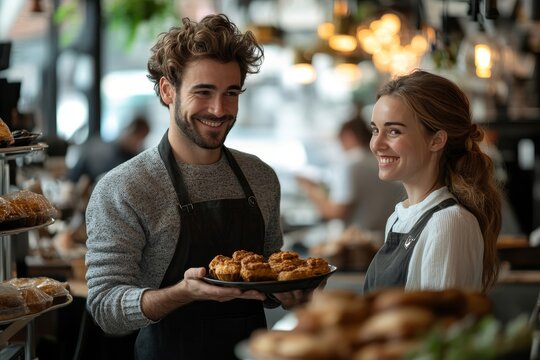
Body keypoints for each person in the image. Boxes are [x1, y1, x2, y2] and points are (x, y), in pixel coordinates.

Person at [85, 14, 310, 360]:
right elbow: (104, 309)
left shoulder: (261, 177)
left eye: (230, 93)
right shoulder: (124, 188)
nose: (219, 109)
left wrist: (289, 292)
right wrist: (183, 292)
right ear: (167, 91)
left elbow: (268, 275)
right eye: (203, 92)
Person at [363, 69, 502, 294]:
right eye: (375, 130)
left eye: (394, 131)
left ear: (436, 140)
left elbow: (442, 328)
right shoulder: (398, 219)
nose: (376, 144)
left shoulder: (448, 223)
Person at [296, 115, 403, 235]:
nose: (340, 147)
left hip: (358, 245)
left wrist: (309, 189)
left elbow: (336, 212)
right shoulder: (380, 162)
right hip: (385, 238)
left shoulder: (351, 165)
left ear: (348, 135)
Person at [67, 116, 150, 185]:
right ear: (130, 131)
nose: (139, 144)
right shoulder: (97, 150)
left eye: (142, 140)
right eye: (139, 139)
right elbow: (73, 176)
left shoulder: (136, 159)